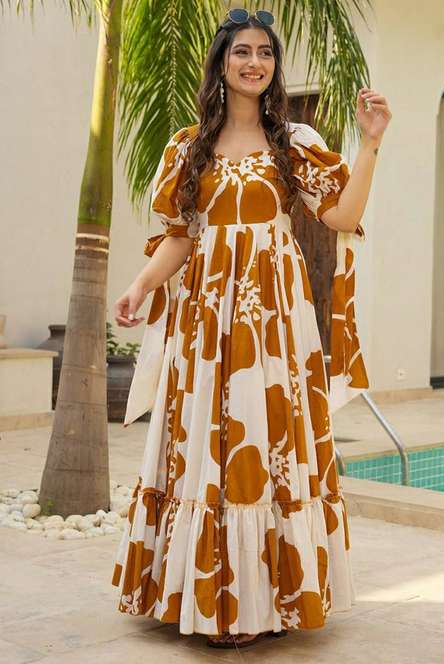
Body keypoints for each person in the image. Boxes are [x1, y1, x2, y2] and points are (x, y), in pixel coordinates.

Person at [110, 7, 391, 650]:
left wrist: (370, 143)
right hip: (207, 317)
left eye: (265, 52)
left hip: (275, 319)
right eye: (242, 51)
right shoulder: (188, 147)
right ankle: (208, 597)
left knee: (268, 441)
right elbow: (181, 236)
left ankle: (264, 599)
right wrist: (141, 285)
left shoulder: (294, 143)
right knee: (207, 440)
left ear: (274, 66)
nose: (254, 62)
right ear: (222, 62)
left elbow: (342, 215)